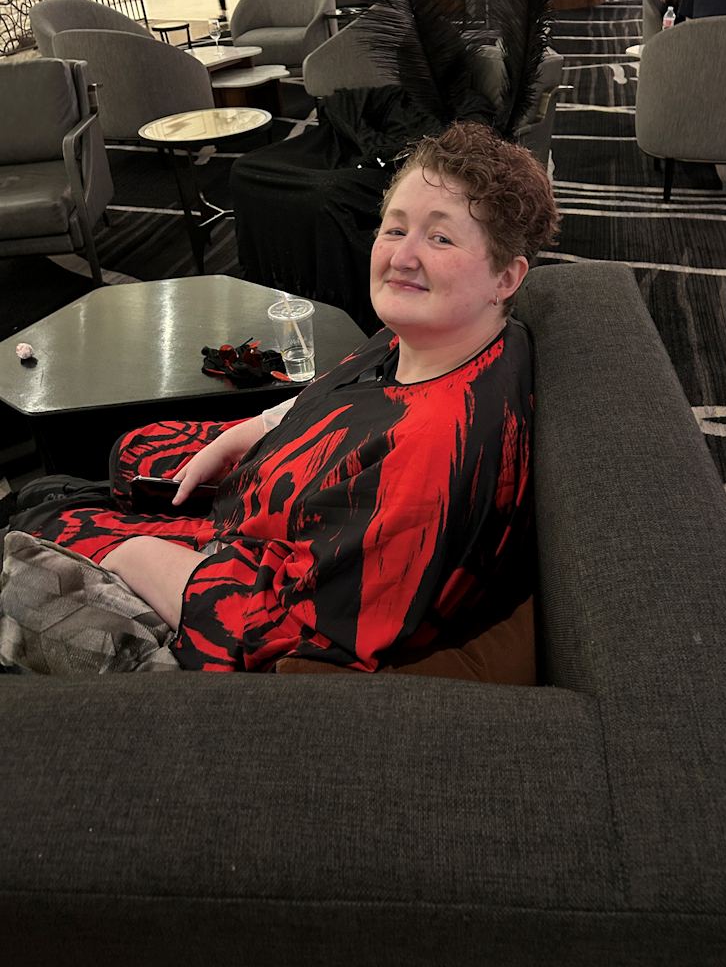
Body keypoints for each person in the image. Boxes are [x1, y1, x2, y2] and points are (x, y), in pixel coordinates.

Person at [14, 123, 559, 674]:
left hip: (246, 571)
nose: (403, 256)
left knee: (39, 526)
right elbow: (339, 394)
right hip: (263, 495)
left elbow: (280, 627)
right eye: (395, 229)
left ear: (506, 277)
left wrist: (132, 556)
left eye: (440, 239)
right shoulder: (433, 338)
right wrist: (245, 433)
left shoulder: (435, 450)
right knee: (126, 452)